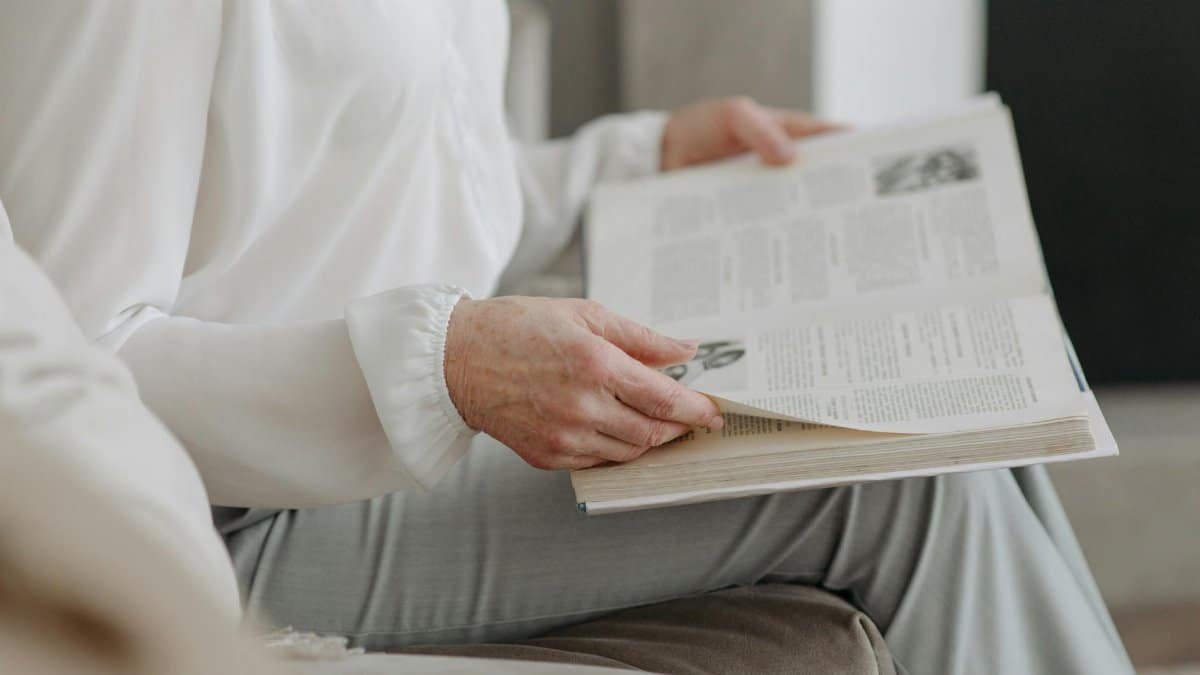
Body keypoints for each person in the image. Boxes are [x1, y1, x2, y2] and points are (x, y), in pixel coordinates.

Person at [0, 3, 1133, 673]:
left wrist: (638, 160)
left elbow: (396, 190)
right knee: (901, 485)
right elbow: (67, 363)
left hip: (392, 462)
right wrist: (441, 362)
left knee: (968, 406)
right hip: (217, 528)